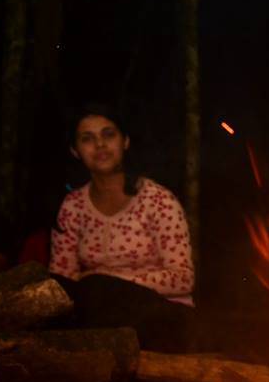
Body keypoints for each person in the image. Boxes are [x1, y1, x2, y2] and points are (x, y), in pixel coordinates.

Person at [50, 103, 195, 351]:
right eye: (88, 139)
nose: (100, 145)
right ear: (75, 151)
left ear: (125, 142)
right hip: (101, 318)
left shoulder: (158, 200)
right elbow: (61, 281)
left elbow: (183, 279)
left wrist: (110, 282)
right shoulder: (73, 206)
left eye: (108, 134)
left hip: (161, 317)